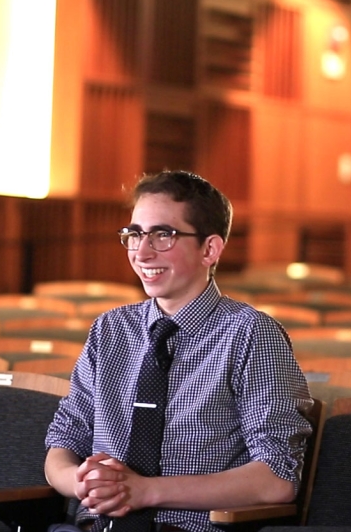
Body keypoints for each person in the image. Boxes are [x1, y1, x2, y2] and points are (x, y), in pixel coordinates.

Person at [44, 170, 313, 532]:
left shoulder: (250, 333)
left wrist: (145, 491)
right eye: (135, 234)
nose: (141, 251)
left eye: (163, 234)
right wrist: (83, 483)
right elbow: (63, 441)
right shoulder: (109, 329)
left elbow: (276, 480)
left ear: (210, 249)